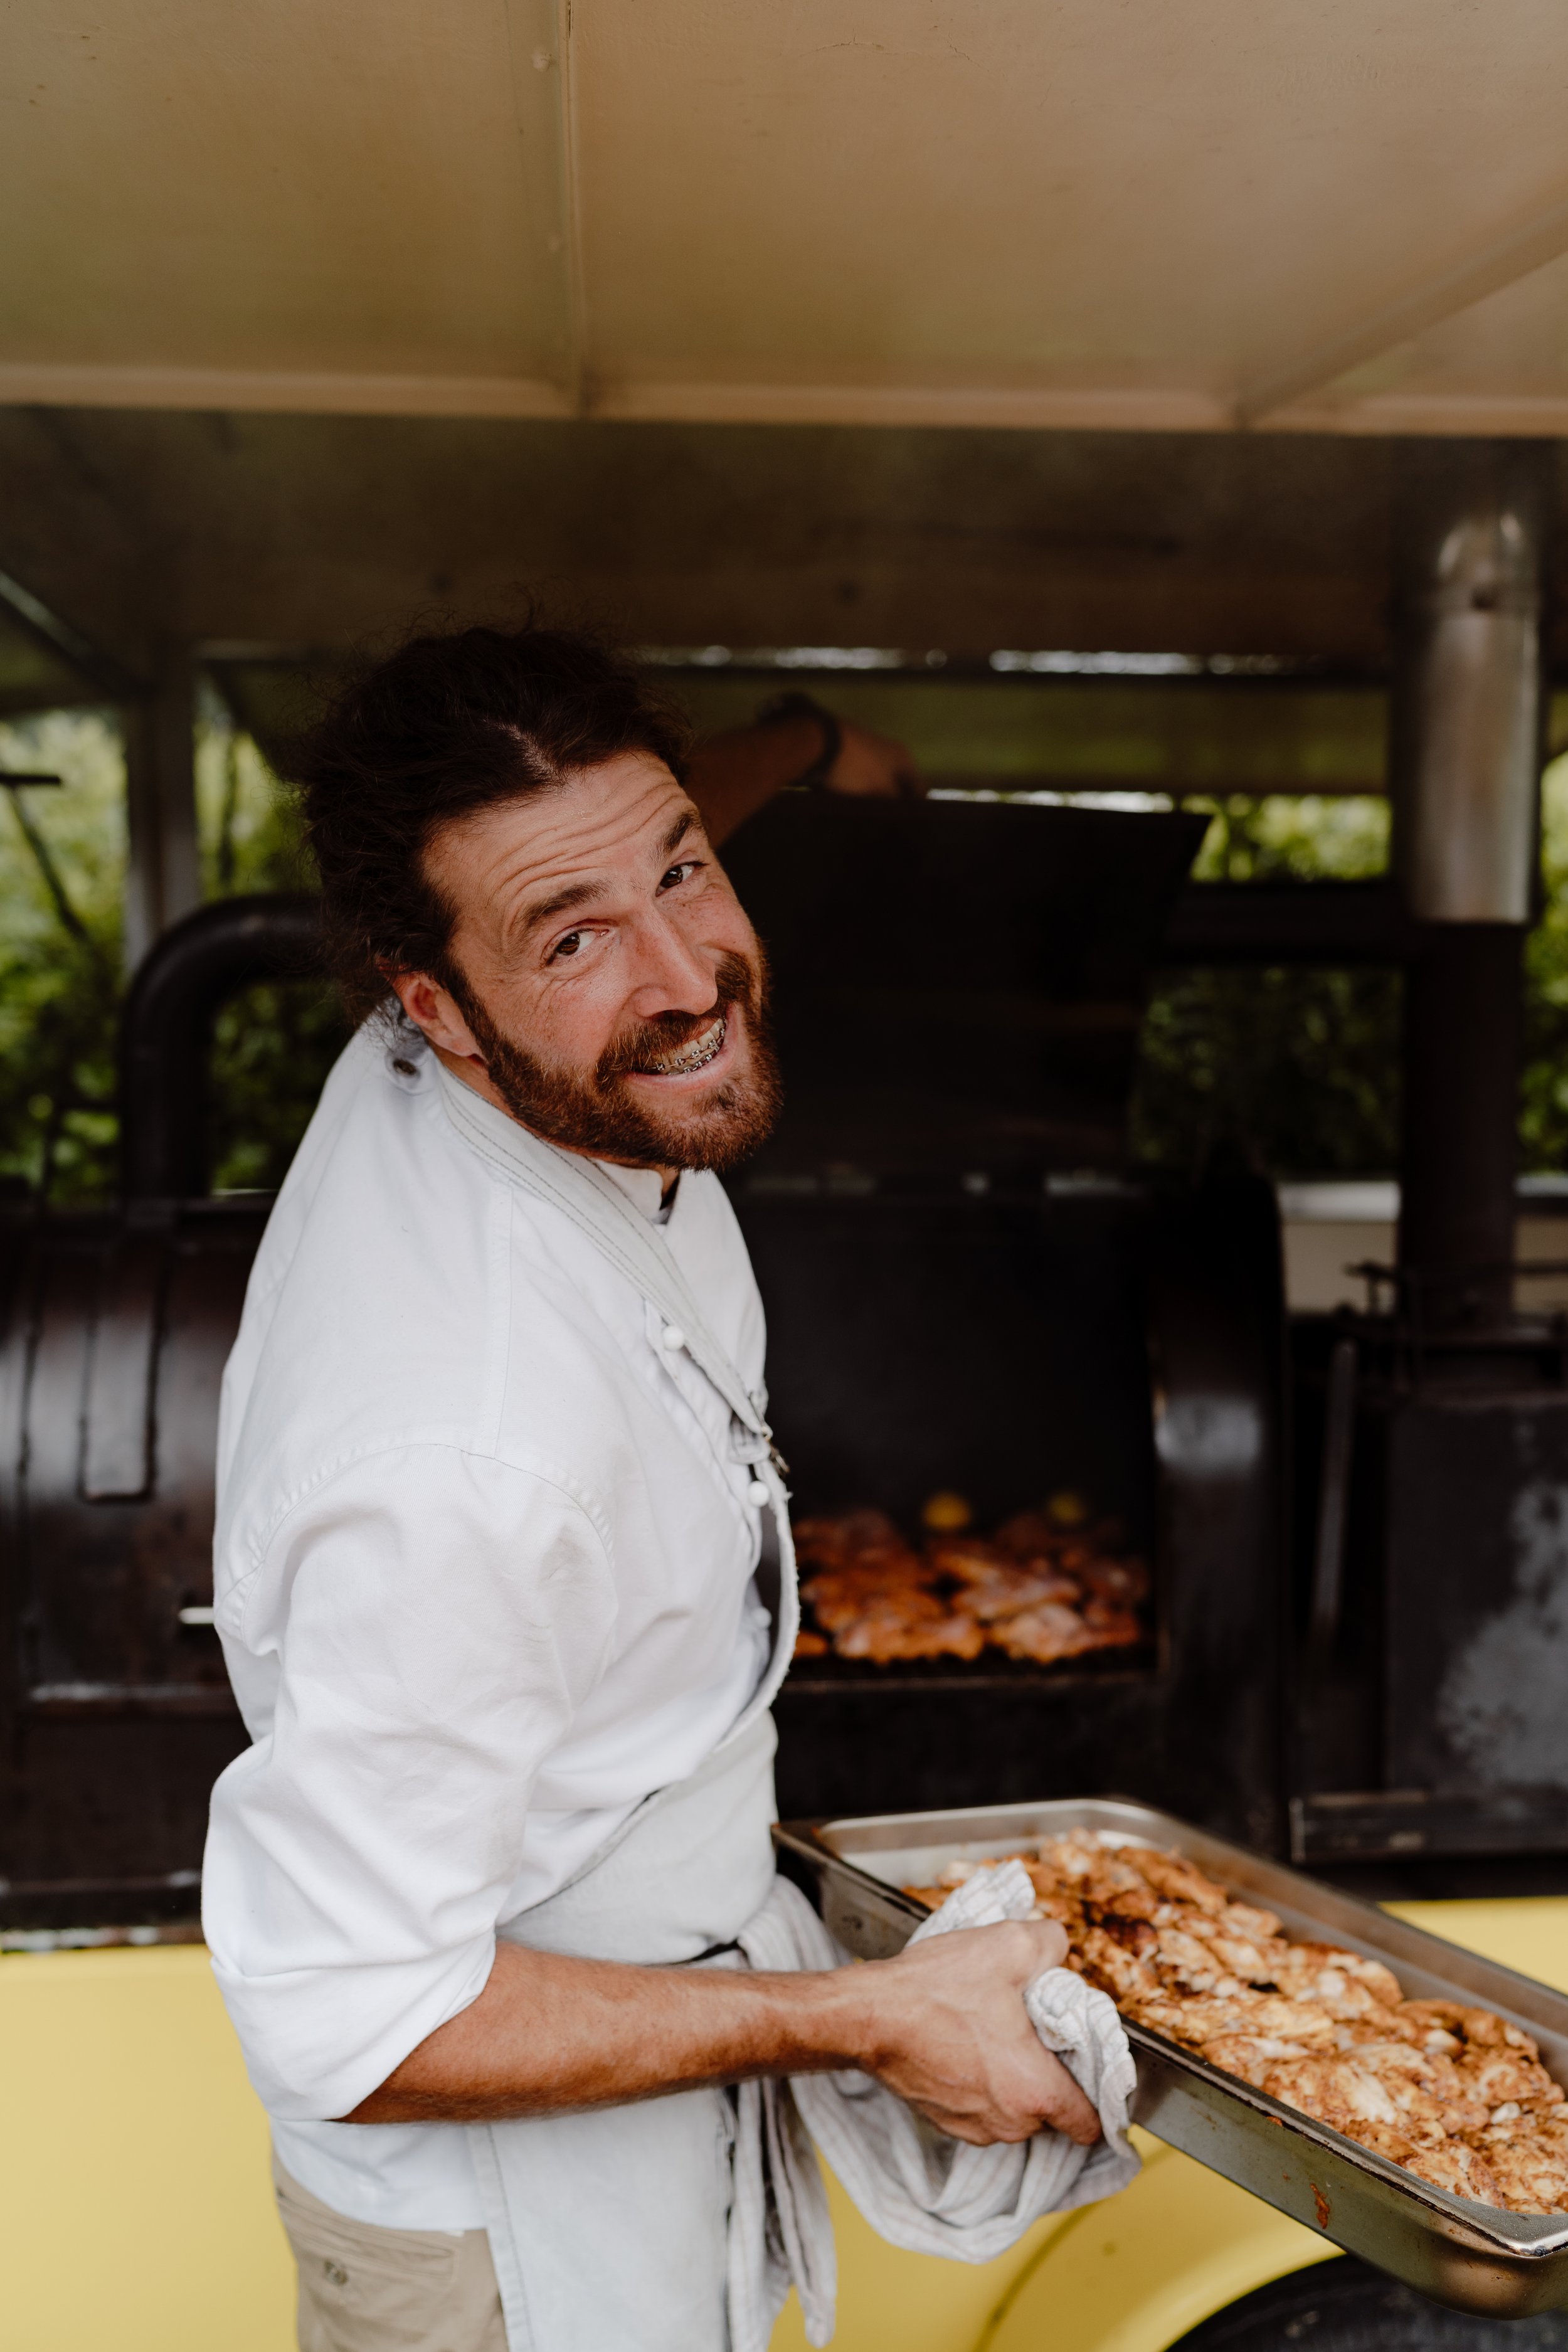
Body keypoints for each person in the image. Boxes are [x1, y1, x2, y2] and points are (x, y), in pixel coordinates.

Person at [202, 622, 1099, 2352]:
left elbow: (610, 846)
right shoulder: (464, 1456)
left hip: (638, 2107)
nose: (688, 972)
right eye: (578, 937)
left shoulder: (515, 1017)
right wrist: (851, 2018)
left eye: (685, 864)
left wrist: (802, 739)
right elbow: (351, 2015)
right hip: (507, 2250)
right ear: (434, 1011)